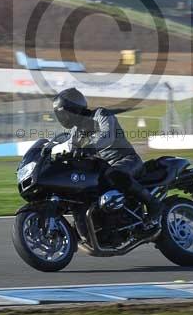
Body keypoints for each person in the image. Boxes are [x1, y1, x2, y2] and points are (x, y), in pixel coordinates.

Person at [52, 87, 161, 229]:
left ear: (74, 108)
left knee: (114, 174)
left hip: (126, 160)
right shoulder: (76, 131)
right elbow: (72, 149)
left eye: (63, 113)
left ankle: (153, 204)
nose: (62, 118)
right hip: (103, 167)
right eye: (59, 114)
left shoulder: (101, 114)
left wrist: (90, 147)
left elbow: (107, 135)